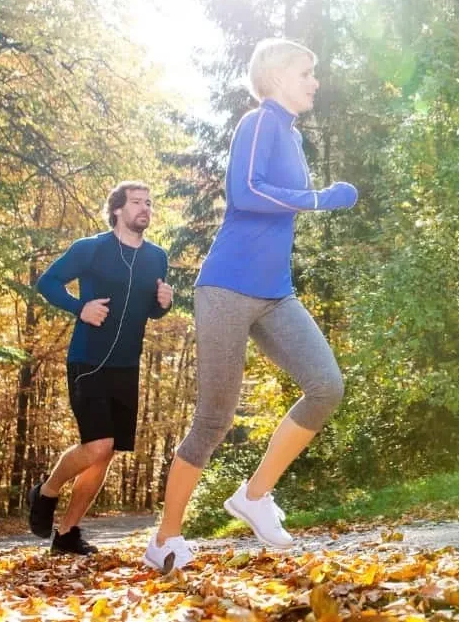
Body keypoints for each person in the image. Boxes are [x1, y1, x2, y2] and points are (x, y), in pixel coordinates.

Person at [143, 38, 357, 573]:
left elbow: (277, 199)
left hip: (275, 292)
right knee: (213, 420)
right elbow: (246, 193)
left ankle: (254, 496)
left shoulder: (290, 133)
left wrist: (314, 197)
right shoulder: (259, 122)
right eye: (307, 72)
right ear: (279, 75)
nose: (315, 82)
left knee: (326, 386)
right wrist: (319, 198)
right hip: (227, 288)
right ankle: (164, 539)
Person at [29, 181, 173, 554]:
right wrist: (81, 307)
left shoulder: (157, 257)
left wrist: (163, 303)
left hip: (128, 366)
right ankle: (45, 491)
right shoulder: (91, 249)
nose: (145, 208)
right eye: (137, 202)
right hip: (88, 360)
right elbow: (48, 282)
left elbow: (152, 310)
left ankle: (66, 534)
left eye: (149, 203)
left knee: (105, 453)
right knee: (98, 445)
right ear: (117, 210)